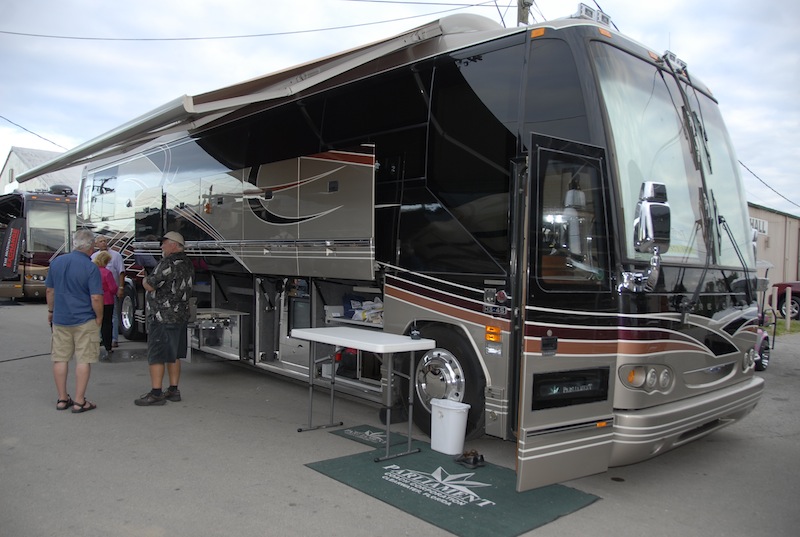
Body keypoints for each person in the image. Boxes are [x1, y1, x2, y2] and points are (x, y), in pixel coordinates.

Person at [46, 228, 104, 413]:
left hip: (61, 318)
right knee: (83, 359)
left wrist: (51, 311)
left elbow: (50, 291)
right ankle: (80, 401)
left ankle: (62, 399)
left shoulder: (57, 263)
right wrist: (100, 316)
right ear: (91, 247)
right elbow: (96, 297)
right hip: (84, 319)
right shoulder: (90, 267)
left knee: (60, 358)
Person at [135, 231, 194, 406]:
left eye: (165, 242)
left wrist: (144, 280)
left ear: (174, 244)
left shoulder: (167, 263)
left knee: (157, 355)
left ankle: (156, 393)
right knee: (174, 354)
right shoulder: (188, 263)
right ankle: (173, 389)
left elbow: (151, 285)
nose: (161, 246)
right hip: (180, 314)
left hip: (162, 316)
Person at [91, 235, 125, 348]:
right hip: (105, 296)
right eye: (100, 241)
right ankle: (103, 338)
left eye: (105, 241)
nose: (103, 243)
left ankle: (113, 338)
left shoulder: (116, 255)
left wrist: (120, 287)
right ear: (96, 244)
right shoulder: (93, 257)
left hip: (108, 295)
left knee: (111, 317)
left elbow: (121, 272)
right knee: (106, 318)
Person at [93, 251, 118, 355]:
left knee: (96, 323)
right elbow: (113, 288)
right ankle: (108, 345)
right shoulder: (107, 273)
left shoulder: (93, 271)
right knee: (107, 323)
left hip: (95, 299)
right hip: (107, 300)